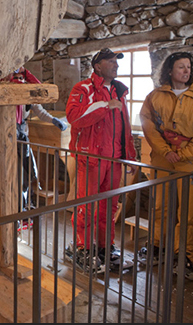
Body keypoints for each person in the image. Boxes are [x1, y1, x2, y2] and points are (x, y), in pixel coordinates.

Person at [138, 51, 193, 281]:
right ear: (170, 70)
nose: (186, 71)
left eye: (188, 67)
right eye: (181, 67)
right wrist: (165, 151)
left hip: (189, 162)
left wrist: (184, 154)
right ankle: (157, 246)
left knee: (189, 211)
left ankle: (186, 255)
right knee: (160, 205)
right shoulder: (155, 96)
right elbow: (148, 124)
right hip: (163, 159)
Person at [65, 48, 137, 273]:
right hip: (91, 157)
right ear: (97, 66)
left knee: (110, 205)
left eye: (117, 61)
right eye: (111, 61)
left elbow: (124, 127)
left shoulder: (119, 91)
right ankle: (82, 248)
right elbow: (74, 117)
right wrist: (104, 106)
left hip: (114, 159)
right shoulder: (83, 89)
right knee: (87, 205)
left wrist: (130, 157)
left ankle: (106, 247)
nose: (116, 65)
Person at [9, 67, 68, 213]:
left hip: (22, 134)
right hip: (8, 136)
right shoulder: (7, 93)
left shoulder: (27, 95)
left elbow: (40, 111)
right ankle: (14, 207)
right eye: (16, 78)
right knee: (14, 173)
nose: (20, 81)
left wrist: (54, 120)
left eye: (22, 78)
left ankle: (23, 205)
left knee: (26, 172)